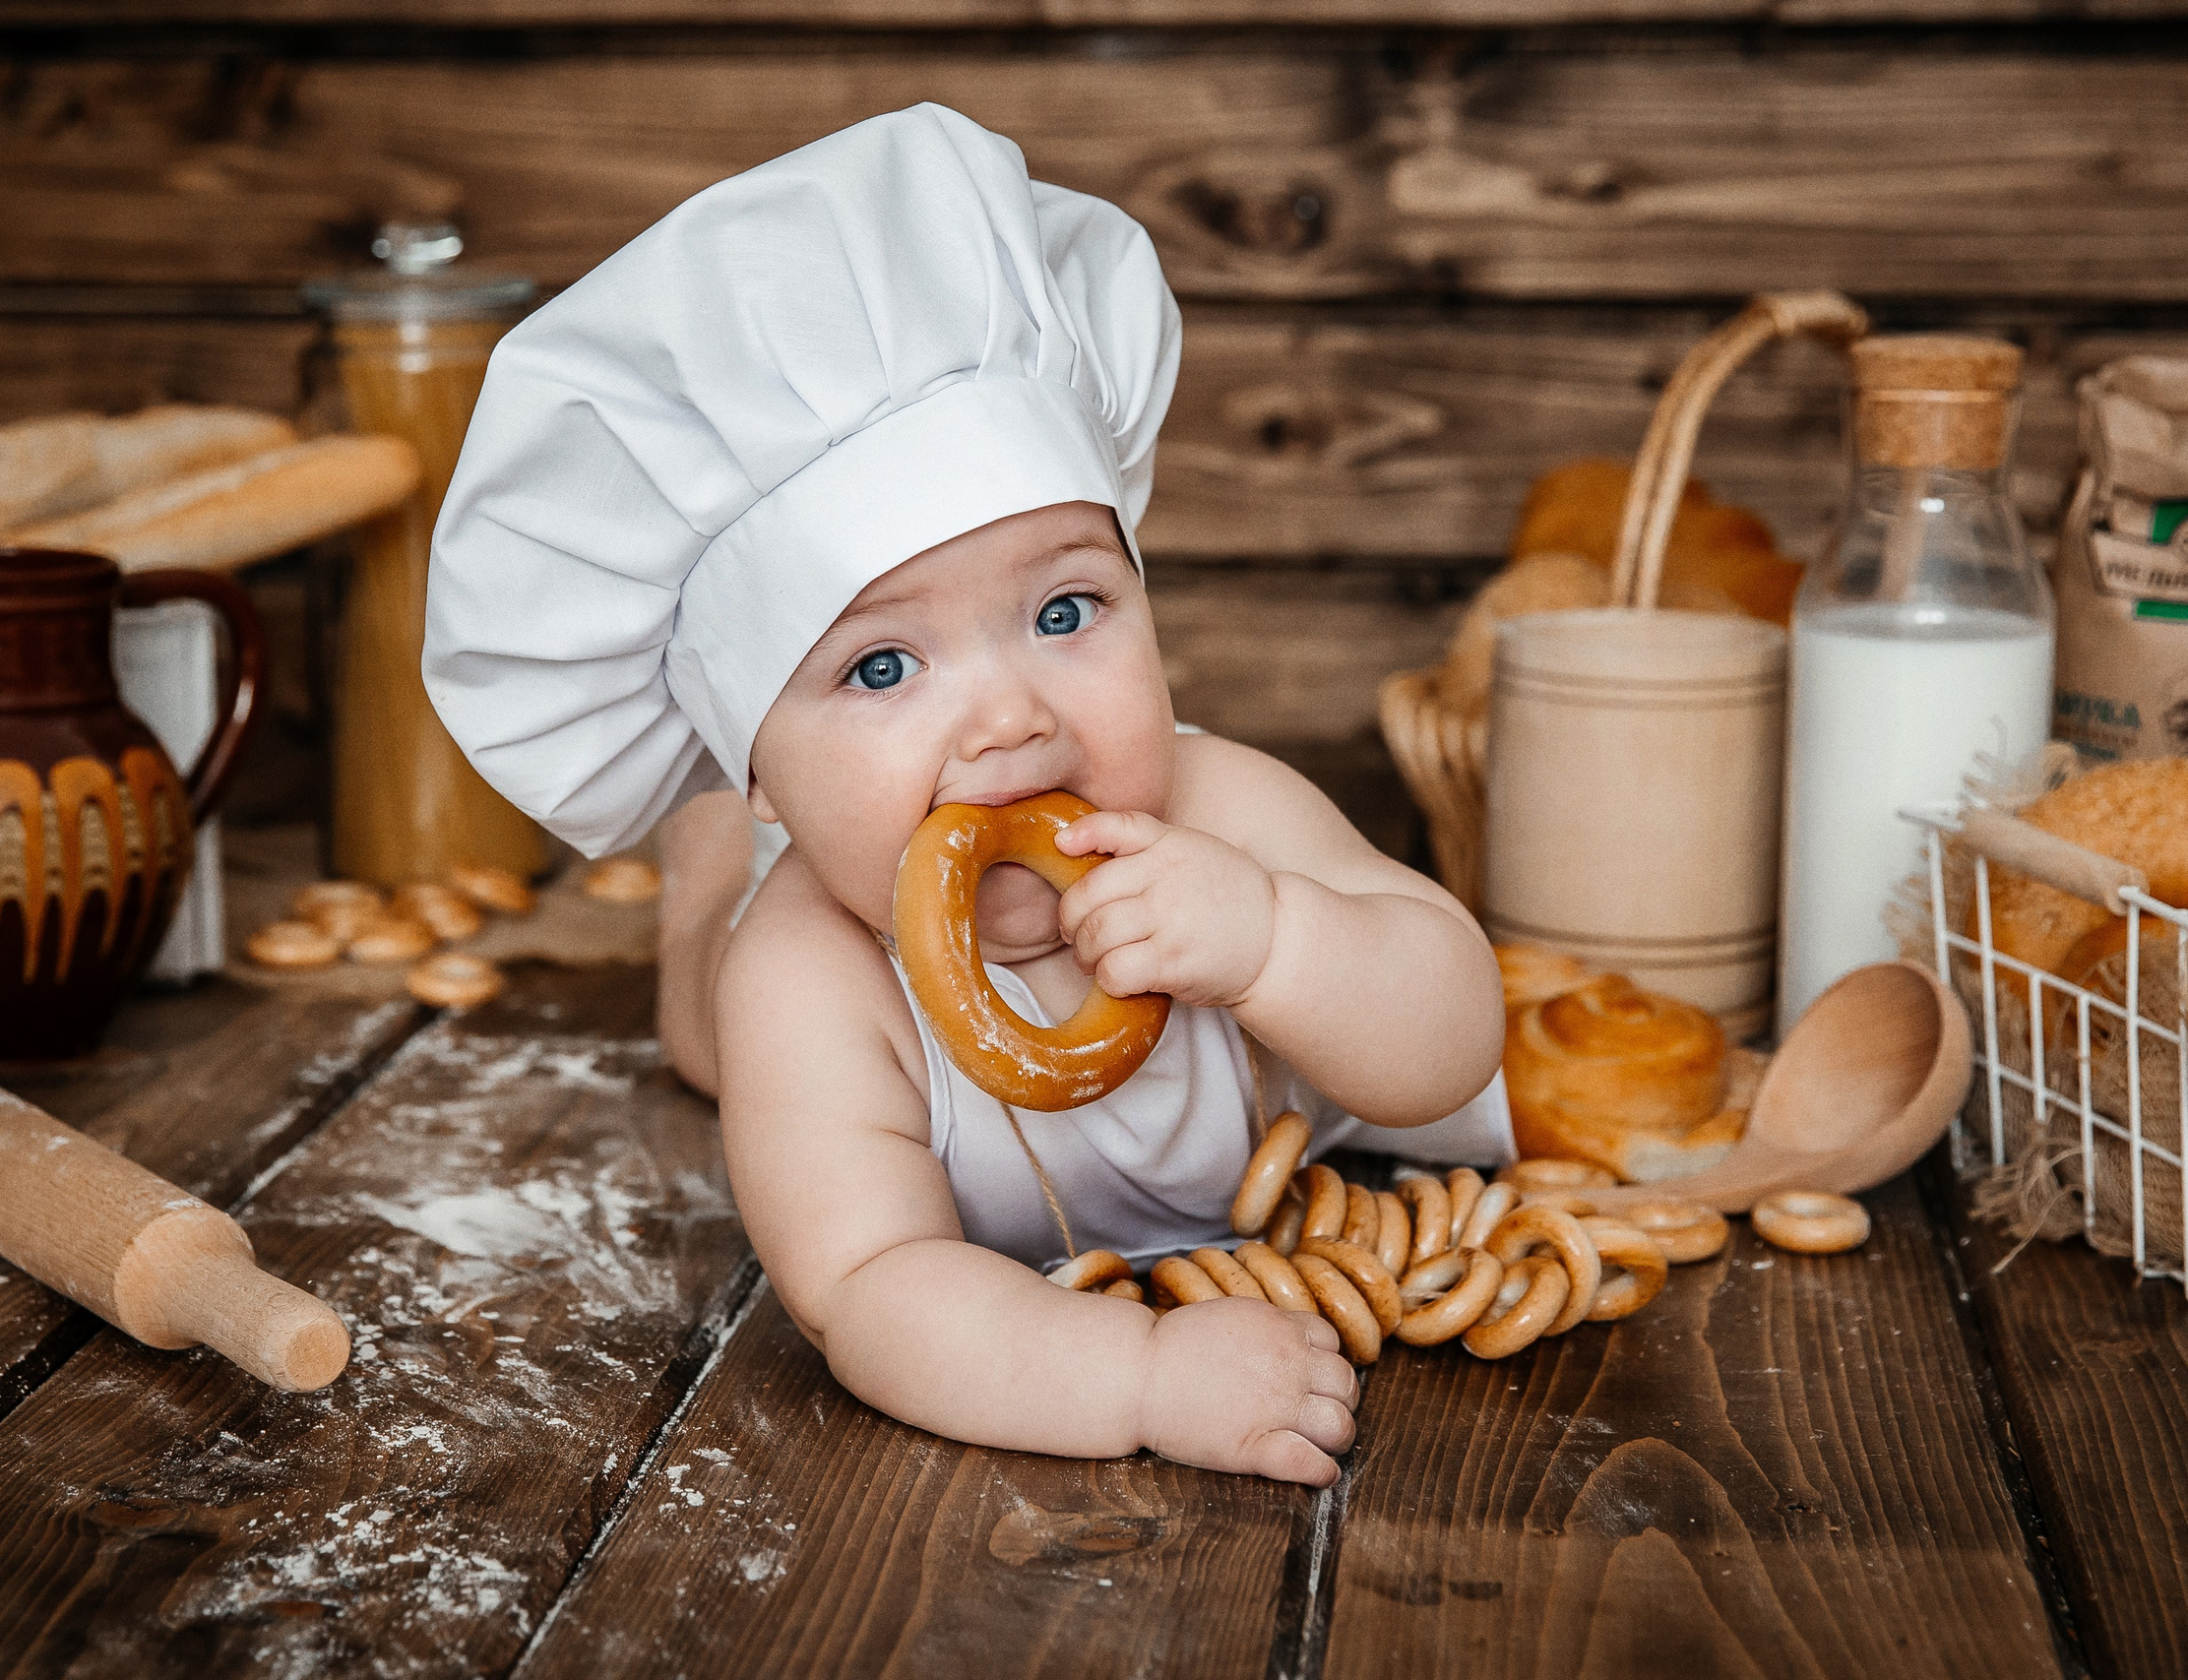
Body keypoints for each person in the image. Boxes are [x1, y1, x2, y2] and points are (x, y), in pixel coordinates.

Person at [425, 105, 1508, 1487]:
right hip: (787, 912)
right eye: (882, 666)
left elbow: (1452, 1034)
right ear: (764, 759)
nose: (1012, 718)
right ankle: (712, 851)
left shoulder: (1222, 807)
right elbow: (871, 1286)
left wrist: (1280, 941)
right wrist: (1138, 1377)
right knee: (712, 1016)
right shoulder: (813, 984)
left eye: (1065, 611)